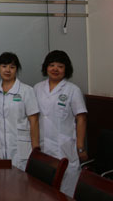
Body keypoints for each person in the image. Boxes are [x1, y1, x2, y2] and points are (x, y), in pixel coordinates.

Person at [34, 50, 87, 197]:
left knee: (65, 190)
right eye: (51, 65)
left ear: (66, 69)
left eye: (60, 66)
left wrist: (80, 147)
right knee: (43, 190)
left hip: (64, 147)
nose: (55, 69)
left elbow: (81, 118)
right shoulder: (37, 88)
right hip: (42, 146)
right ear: (46, 67)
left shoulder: (73, 90)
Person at [0, 52, 39, 170]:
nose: (7, 70)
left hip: (21, 146)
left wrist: (36, 148)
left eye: (12, 67)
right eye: (4, 66)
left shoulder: (26, 91)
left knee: (21, 178)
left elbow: (34, 121)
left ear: (17, 69)